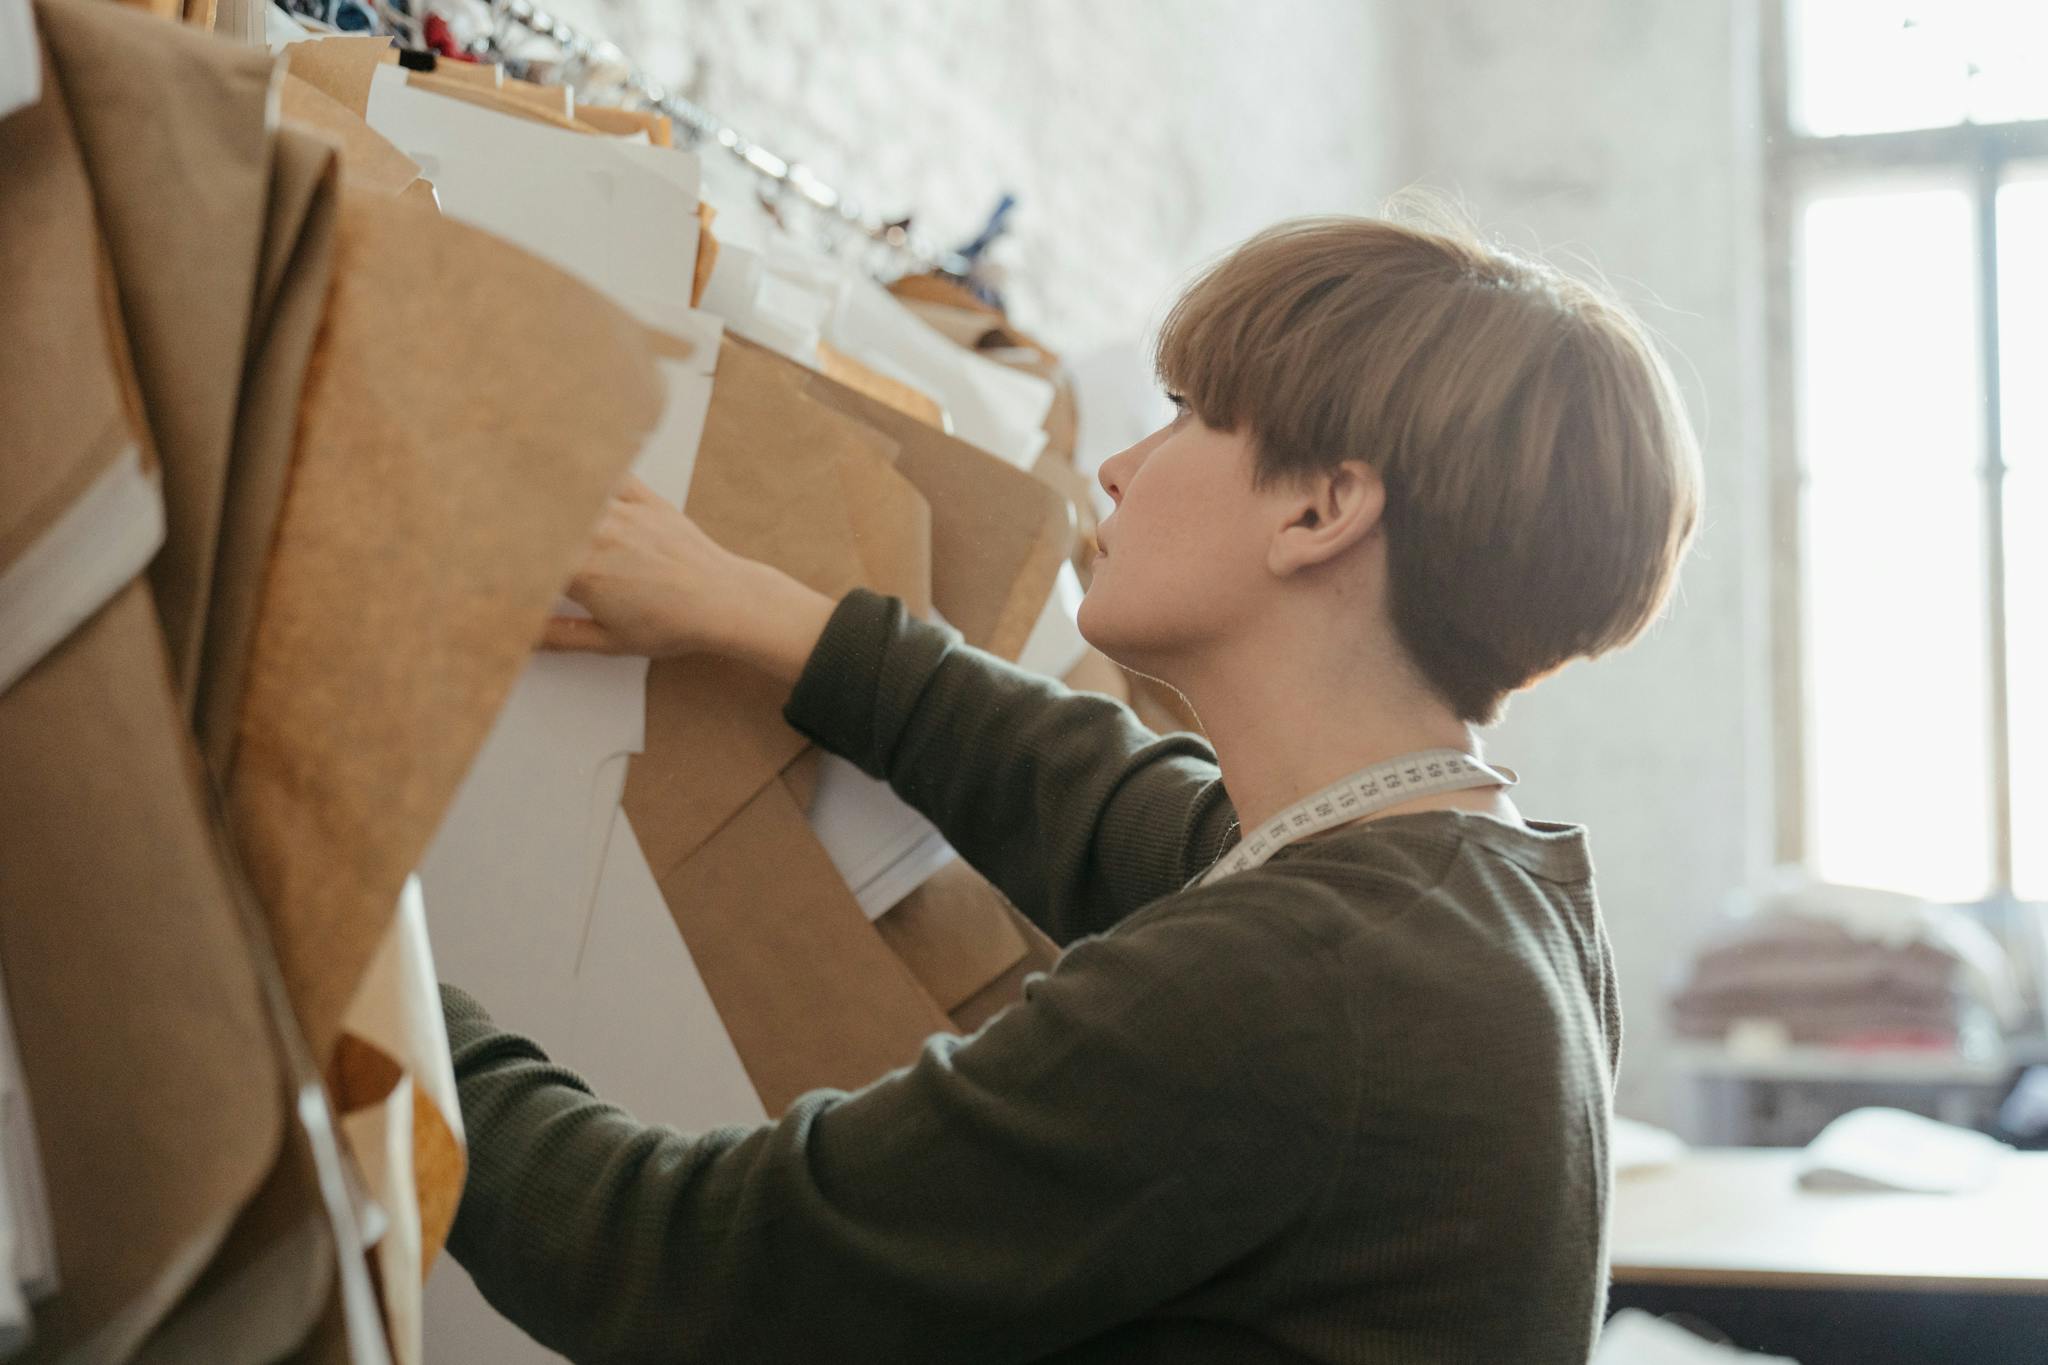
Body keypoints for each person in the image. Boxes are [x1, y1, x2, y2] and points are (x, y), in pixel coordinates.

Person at [440, 209, 1701, 1364]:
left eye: (1190, 414)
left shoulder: (1303, 980)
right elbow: (1106, 801)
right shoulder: (1474, 898)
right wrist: (763, 614)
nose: (1117, 467)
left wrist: (333, 933)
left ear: (1321, 509)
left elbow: (691, 1264)